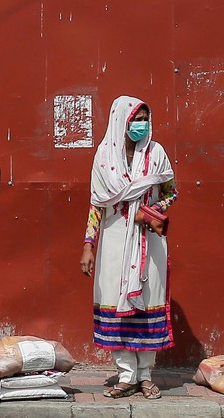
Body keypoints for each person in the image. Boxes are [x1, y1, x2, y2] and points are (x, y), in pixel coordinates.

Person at [79, 95, 177, 399]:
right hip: (113, 241)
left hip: (149, 241)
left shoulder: (157, 153)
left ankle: (146, 376)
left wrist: (148, 212)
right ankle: (125, 375)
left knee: (147, 302)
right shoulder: (104, 157)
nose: (141, 125)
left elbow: (172, 193)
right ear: (121, 121)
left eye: (145, 119)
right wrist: (88, 245)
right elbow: (97, 205)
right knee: (114, 302)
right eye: (136, 119)